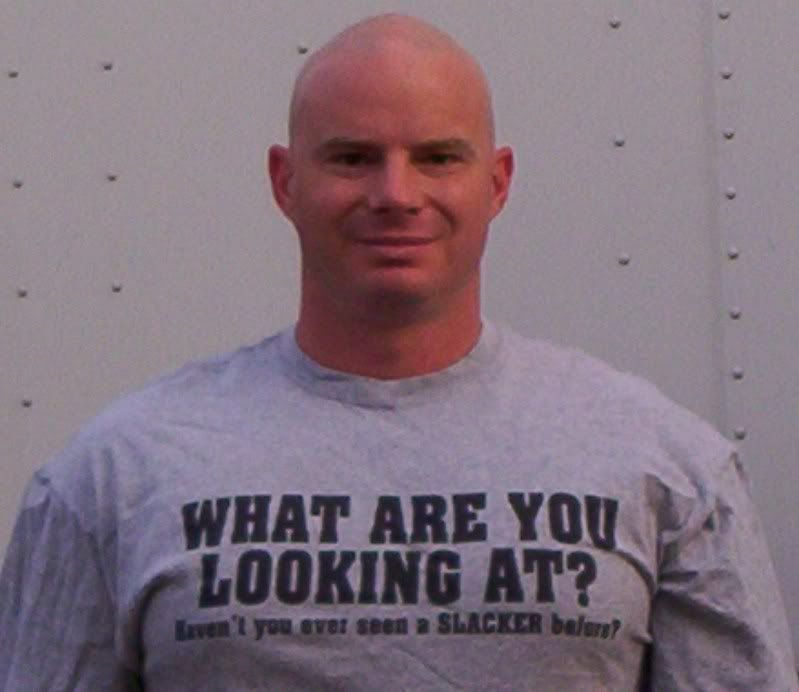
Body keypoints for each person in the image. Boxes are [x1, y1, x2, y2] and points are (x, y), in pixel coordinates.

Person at [1, 12, 796, 691]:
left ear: (496, 182)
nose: (395, 195)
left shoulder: (665, 467)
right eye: (352, 158)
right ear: (285, 182)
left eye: (437, 157)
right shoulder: (116, 477)